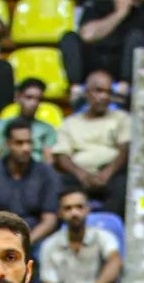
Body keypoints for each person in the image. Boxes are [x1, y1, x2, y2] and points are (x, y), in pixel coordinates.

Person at [38, 187, 121, 283]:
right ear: (60, 213)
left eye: (79, 207)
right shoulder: (49, 245)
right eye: (68, 208)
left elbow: (115, 262)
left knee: (117, 276)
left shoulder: (103, 237)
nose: (74, 213)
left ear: (88, 210)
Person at [51, 70, 132, 217]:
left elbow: (125, 149)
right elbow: (62, 155)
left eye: (108, 92)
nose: (104, 97)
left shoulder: (122, 118)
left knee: (124, 183)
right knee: (57, 182)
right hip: (78, 175)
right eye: (99, 91)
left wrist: (107, 174)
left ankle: (107, 224)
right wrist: (81, 175)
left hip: (112, 173)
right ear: (87, 93)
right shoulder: (70, 123)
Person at [0, 118, 60, 247]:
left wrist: (25, 242)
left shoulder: (46, 173)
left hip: (34, 238)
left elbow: (49, 220)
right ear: (8, 144)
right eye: (19, 143)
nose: (26, 148)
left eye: (29, 142)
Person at [0, 78, 57, 163]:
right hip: (8, 169)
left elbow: (48, 162)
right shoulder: (1, 126)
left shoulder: (47, 129)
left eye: (38, 99)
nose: (34, 103)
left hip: (36, 170)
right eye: (29, 97)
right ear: (17, 97)